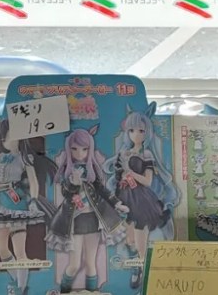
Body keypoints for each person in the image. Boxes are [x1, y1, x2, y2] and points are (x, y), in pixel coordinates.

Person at [103, 104, 178, 290]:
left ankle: (144, 276)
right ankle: (137, 269)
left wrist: (130, 172)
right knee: (129, 241)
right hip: (124, 198)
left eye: (141, 131)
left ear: (147, 133)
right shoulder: (123, 152)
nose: (136, 134)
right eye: (132, 130)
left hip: (141, 200)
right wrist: (120, 174)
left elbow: (147, 181)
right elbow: (117, 177)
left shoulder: (146, 153)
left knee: (140, 242)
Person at [47, 127, 129, 294]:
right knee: (74, 264)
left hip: (93, 220)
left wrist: (117, 203)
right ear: (69, 149)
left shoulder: (92, 170)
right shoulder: (67, 170)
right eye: (75, 149)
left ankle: (92, 292)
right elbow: (65, 192)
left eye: (84, 149)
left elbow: (103, 191)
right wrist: (73, 184)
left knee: (91, 263)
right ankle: (64, 291)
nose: (80, 153)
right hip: (74, 222)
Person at [0, 119, 57, 295]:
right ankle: (18, 283)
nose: (5, 141)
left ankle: (21, 288)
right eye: (3, 138)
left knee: (20, 252)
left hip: (15, 202)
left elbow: (33, 182)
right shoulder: (1, 157)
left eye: (8, 136)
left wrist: (33, 201)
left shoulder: (25, 157)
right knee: (1, 249)